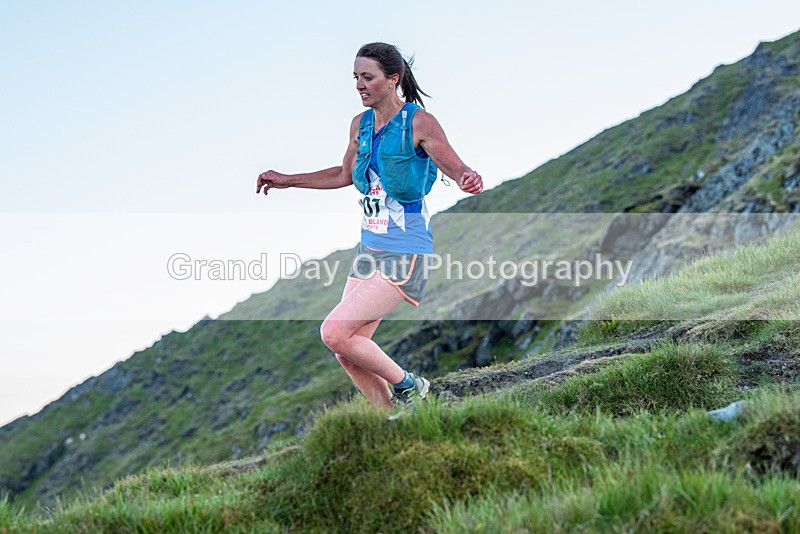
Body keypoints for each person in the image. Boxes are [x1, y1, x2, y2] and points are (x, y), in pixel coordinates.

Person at [256, 42, 483, 411]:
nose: (360, 85)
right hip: (369, 250)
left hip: (406, 248)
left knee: (334, 331)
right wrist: (288, 180)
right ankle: (394, 419)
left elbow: (456, 168)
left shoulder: (418, 122)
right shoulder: (359, 125)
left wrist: (468, 177)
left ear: (392, 79)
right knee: (346, 350)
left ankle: (412, 386)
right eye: (356, 78)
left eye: (368, 77)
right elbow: (344, 174)